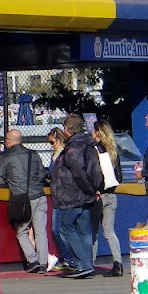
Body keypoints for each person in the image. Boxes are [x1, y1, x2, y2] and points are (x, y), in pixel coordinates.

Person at [49, 114, 103, 279]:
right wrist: (92, 190)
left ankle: (84, 264)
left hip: (71, 195)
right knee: (84, 231)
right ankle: (86, 265)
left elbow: (78, 171)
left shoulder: (74, 147)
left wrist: (87, 189)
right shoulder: (89, 145)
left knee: (66, 229)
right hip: (83, 195)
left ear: (67, 130)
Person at [0, 129, 49, 274]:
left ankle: (33, 260)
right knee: (40, 231)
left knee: (21, 231)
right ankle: (43, 263)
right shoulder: (34, 154)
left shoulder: (5, 156)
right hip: (40, 195)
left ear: (8, 140)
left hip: (22, 198)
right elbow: (42, 174)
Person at [92, 120, 124, 277]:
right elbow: (119, 176)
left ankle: (89, 264)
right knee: (110, 232)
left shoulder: (94, 151)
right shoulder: (113, 151)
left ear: (98, 133)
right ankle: (118, 263)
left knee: (93, 232)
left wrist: (95, 189)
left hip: (99, 195)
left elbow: (95, 173)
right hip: (112, 195)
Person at [46, 128, 76, 272]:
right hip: (58, 195)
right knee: (59, 229)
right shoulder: (55, 155)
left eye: (52, 142)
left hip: (64, 196)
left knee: (60, 229)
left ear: (58, 140)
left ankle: (70, 258)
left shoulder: (63, 155)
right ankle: (69, 258)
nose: (51, 145)